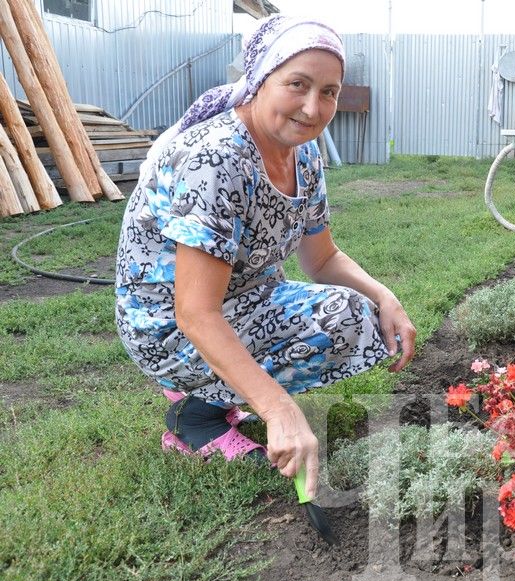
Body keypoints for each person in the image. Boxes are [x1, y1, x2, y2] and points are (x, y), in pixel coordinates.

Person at [115, 16, 416, 499]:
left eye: (330, 91)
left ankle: (220, 391)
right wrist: (279, 409)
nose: (313, 107)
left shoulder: (304, 154)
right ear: (259, 80)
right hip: (169, 328)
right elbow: (194, 311)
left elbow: (321, 259)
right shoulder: (216, 160)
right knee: (327, 332)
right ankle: (194, 419)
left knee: (354, 316)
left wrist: (385, 296)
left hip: (245, 300)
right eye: (297, 84)